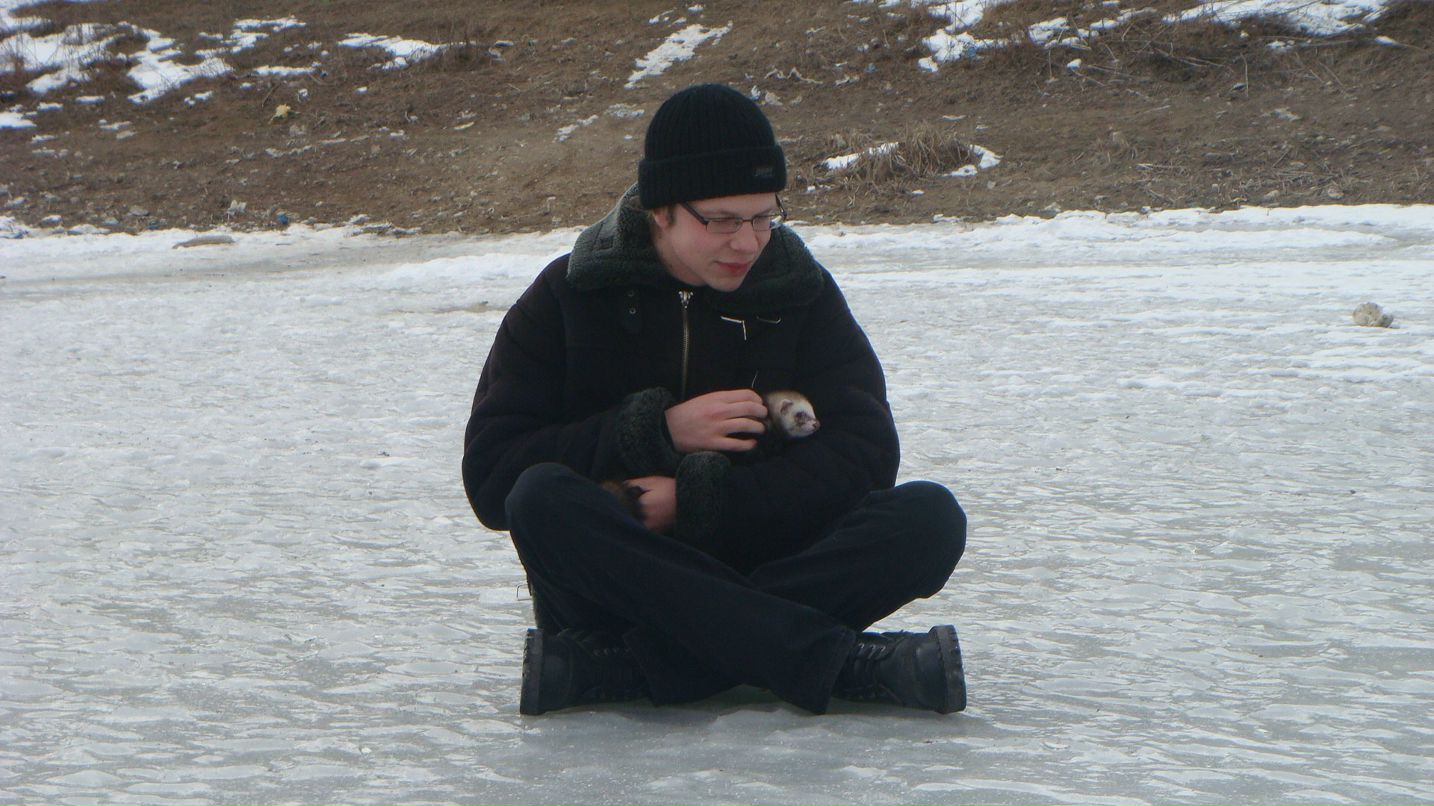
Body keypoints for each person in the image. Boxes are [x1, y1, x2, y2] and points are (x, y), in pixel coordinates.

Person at [462, 83, 968, 716]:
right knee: (542, 499)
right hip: (622, 582)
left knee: (929, 518)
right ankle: (829, 660)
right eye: (722, 221)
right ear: (660, 209)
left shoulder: (798, 292)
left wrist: (707, 500)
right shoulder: (570, 295)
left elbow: (865, 453)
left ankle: (626, 669)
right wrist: (654, 434)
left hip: (769, 555)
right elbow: (493, 477)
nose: (748, 243)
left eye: (763, 216)